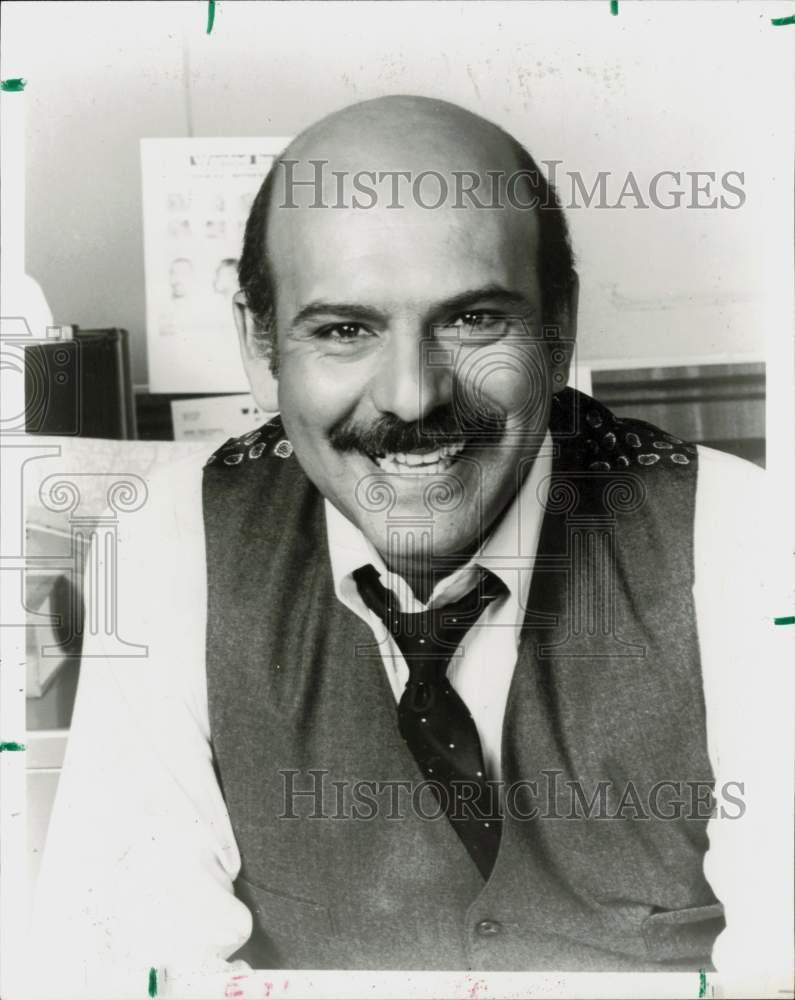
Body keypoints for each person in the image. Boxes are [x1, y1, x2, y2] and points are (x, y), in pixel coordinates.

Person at [32, 96, 787, 992]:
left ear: (559, 327)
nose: (412, 398)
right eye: (344, 330)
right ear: (258, 340)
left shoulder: (744, 541)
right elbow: (121, 971)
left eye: (473, 321)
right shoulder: (166, 548)